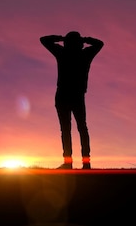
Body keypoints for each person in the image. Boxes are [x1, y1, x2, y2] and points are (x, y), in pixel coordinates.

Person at [40, 31, 104, 169]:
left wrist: (62, 38)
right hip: (73, 95)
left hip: (67, 95)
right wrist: (84, 39)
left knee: (70, 129)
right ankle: (82, 163)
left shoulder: (63, 53)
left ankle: (72, 163)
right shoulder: (84, 55)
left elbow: (44, 40)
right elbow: (99, 43)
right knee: (79, 128)